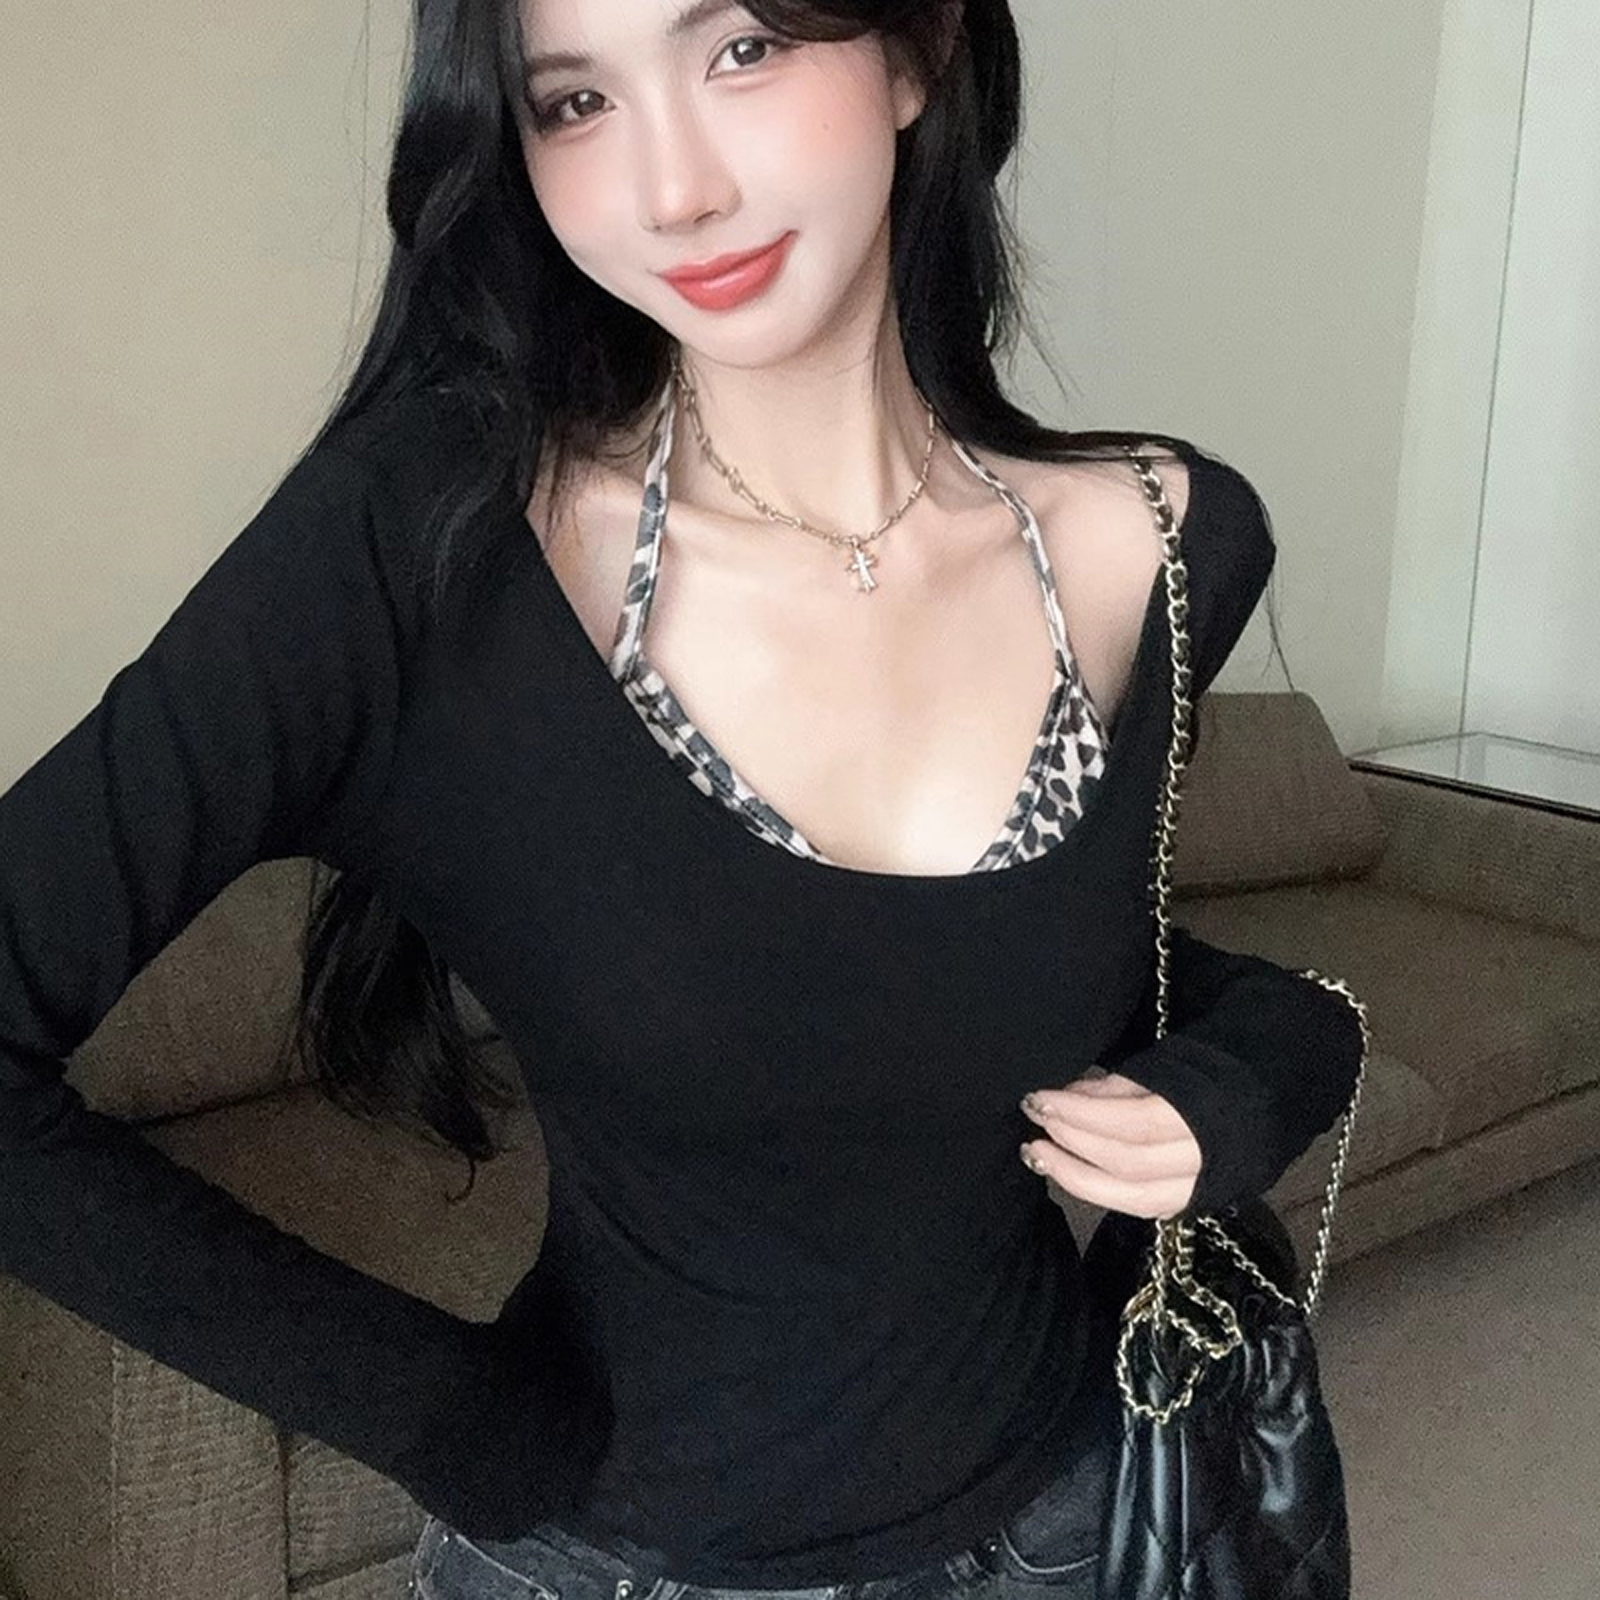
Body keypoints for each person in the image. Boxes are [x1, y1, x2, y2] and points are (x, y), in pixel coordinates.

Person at [0, 1, 1367, 1597]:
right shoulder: (427, 549)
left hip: (1075, 1515)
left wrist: (1279, 1053)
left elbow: (977, 982)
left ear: (918, 51)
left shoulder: (1159, 546)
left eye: (741, 51)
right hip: (635, 1562)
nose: (673, 191)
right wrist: (445, 1418)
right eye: (575, 102)